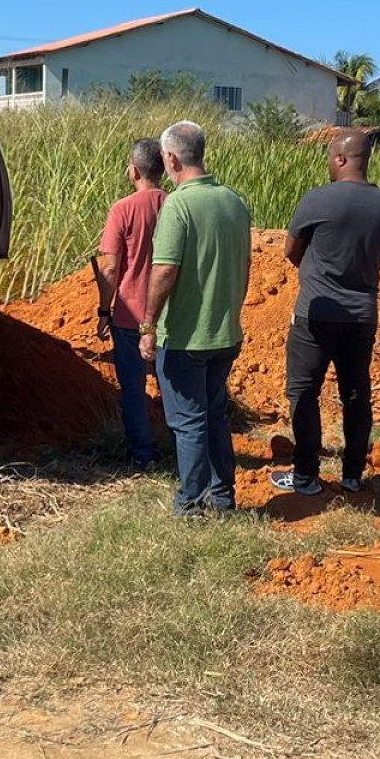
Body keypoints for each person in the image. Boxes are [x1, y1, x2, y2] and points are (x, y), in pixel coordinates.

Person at [271, 129, 380, 496]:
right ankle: (353, 475)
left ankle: (306, 476)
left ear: (341, 159)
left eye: (330, 157)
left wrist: (317, 274)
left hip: (317, 312)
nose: (328, 164)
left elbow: (291, 251)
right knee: (356, 393)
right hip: (362, 315)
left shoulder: (318, 200)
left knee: (303, 391)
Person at [139, 120, 252, 515]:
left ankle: (190, 504)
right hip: (225, 334)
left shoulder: (179, 205)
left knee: (189, 421)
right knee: (215, 414)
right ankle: (222, 497)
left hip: (187, 336)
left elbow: (165, 270)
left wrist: (149, 323)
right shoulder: (235, 201)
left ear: (170, 158)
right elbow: (245, 266)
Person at [94, 138, 167, 468]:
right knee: (176, 388)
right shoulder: (175, 205)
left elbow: (110, 267)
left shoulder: (122, 210)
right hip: (169, 315)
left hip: (129, 317)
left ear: (133, 170)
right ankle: (183, 449)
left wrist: (104, 310)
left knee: (134, 391)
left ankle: (143, 456)